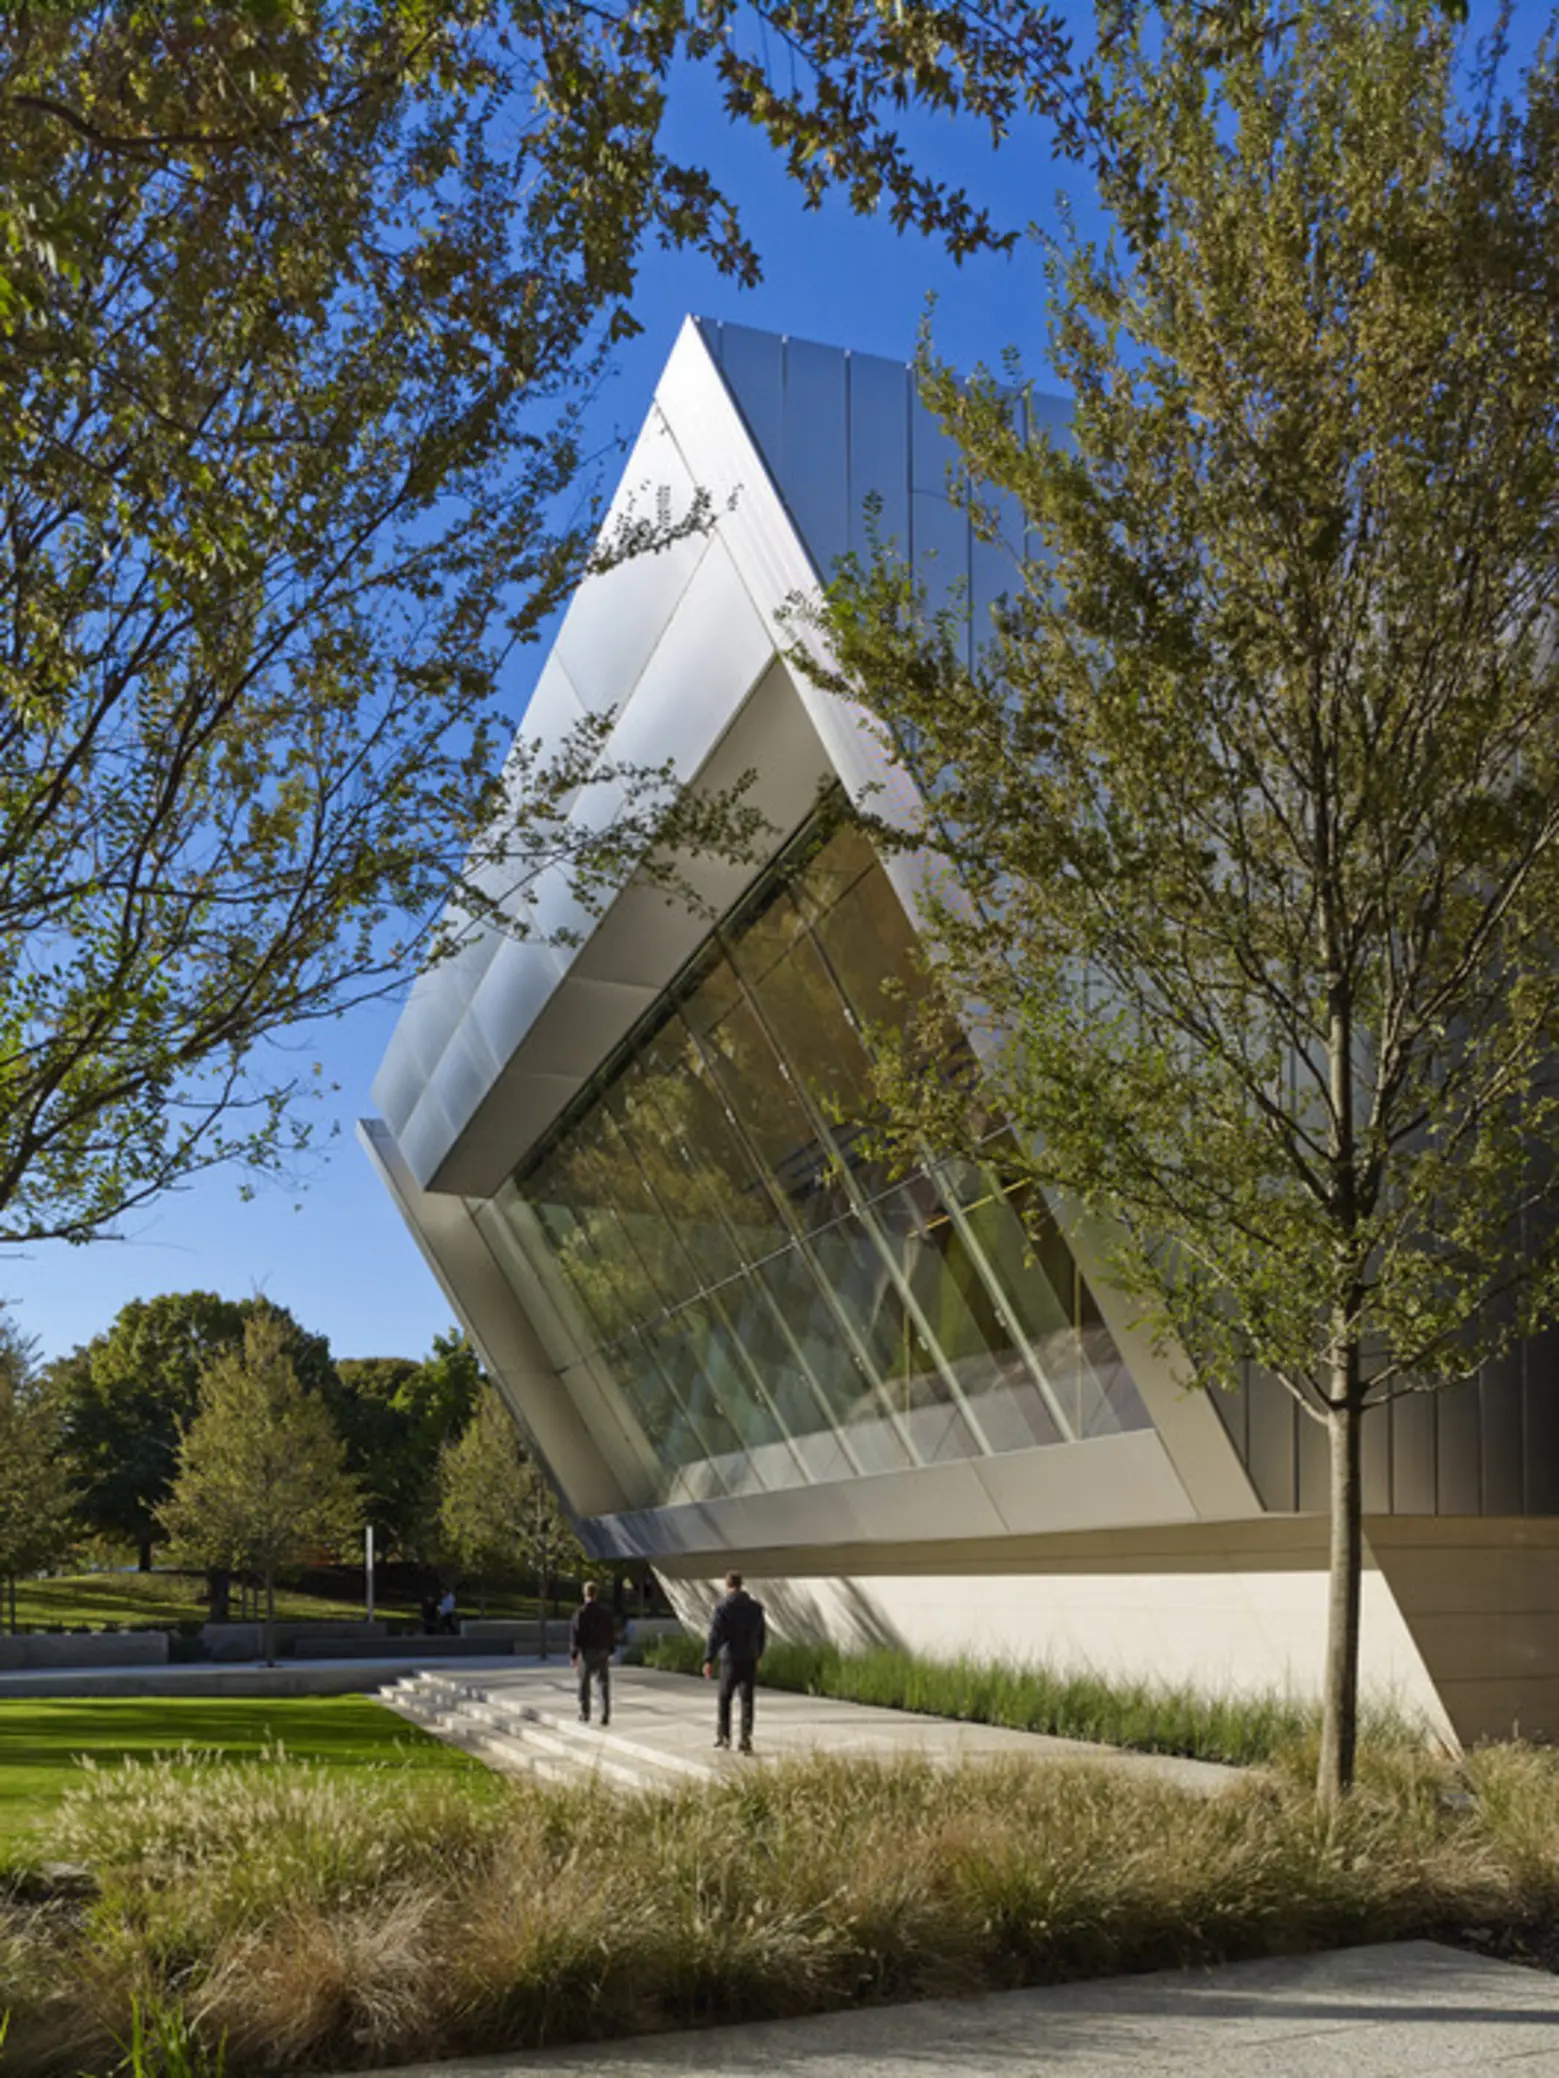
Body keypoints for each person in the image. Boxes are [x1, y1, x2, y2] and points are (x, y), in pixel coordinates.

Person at [703, 1570, 766, 1753]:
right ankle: (745, 1738)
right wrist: (759, 1655)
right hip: (749, 1658)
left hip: (729, 1658)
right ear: (741, 1584)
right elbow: (761, 1635)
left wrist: (709, 1658)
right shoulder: (756, 1608)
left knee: (725, 1698)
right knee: (747, 1700)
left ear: (727, 1585)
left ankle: (724, 1736)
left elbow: (715, 1635)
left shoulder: (722, 1607)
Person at [570, 1580, 616, 1726]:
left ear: (584, 1594)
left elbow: (575, 1635)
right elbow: (610, 1632)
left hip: (586, 1651)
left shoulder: (580, 1613)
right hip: (602, 1650)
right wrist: (610, 1650)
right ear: (596, 1594)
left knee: (584, 1683)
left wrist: (574, 1654)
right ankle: (605, 1714)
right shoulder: (604, 1613)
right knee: (603, 1683)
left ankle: (585, 1712)